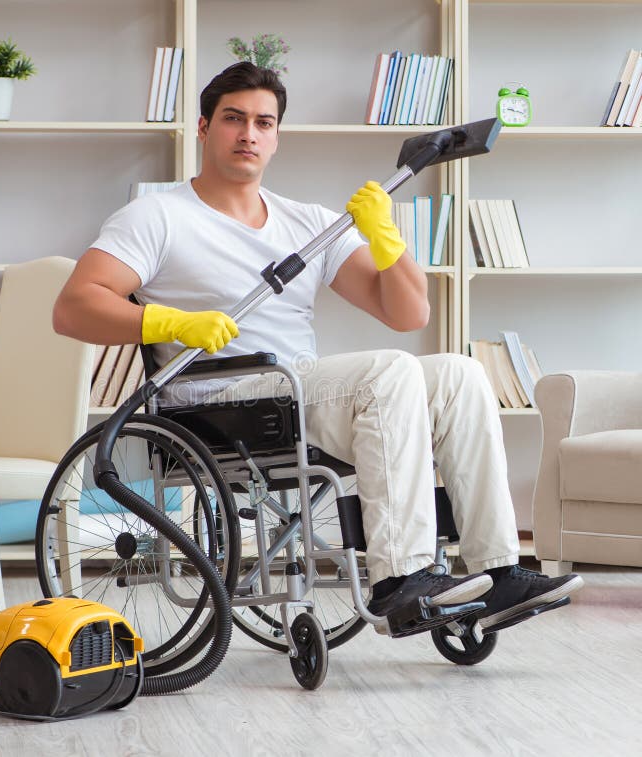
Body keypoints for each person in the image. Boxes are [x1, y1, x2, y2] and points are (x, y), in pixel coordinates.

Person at [53, 62, 583, 635]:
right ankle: (399, 580)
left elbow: (408, 313)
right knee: (387, 372)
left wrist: (388, 240)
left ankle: (498, 569)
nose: (248, 134)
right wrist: (169, 321)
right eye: (233, 119)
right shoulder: (157, 216)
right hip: (214, 400)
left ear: (277, 136)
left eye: (263, 122)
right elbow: (74, 306)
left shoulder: (309, 224)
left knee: (459, 373)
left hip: (298, 392)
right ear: (204, 127)